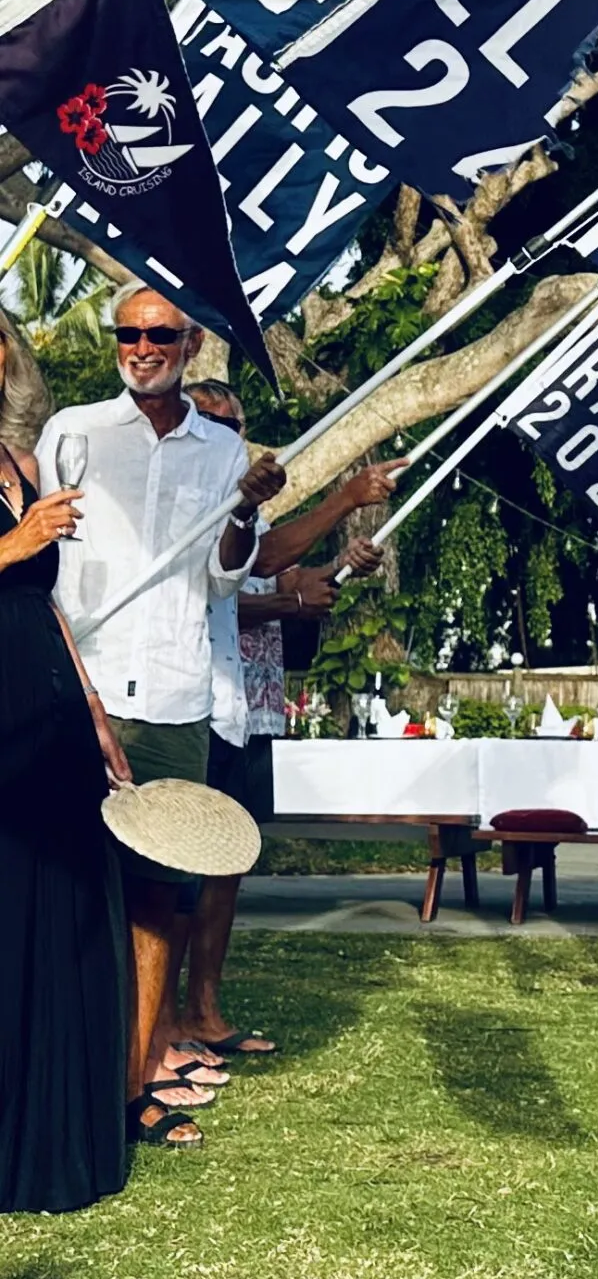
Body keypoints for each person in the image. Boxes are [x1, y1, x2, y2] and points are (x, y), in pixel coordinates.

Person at [37, 284, 283, 1150]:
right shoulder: (72, 432)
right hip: (80, 689)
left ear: (190, 346)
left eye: (160, 335)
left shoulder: (224, 449)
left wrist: (245, 507)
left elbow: (223, 576)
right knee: (64, 895)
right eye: (128, 334)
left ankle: (135, 1087)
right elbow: (41, 563)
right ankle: (58, 1086)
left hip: (175, 695)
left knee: (160, 904)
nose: (142, 348)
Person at [181, 376, 400, 1061]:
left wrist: (338, 567)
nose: (224, 436)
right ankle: (159, 1025)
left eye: (234, 426)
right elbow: (244, 584)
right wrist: (344, 500)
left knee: (229, 863)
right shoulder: (184, 502)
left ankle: (204, 1010)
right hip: (191, 704)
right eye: (208, 421)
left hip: (250, 705)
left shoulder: (248, 511)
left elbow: (285, 573)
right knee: (179, 870)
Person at [0, 307, 139, 1202]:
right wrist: (17, 541)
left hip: (48, 700)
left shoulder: (22, 462)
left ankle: (59, 1139)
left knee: (67, 908)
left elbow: (48, 604)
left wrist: (93, 709)